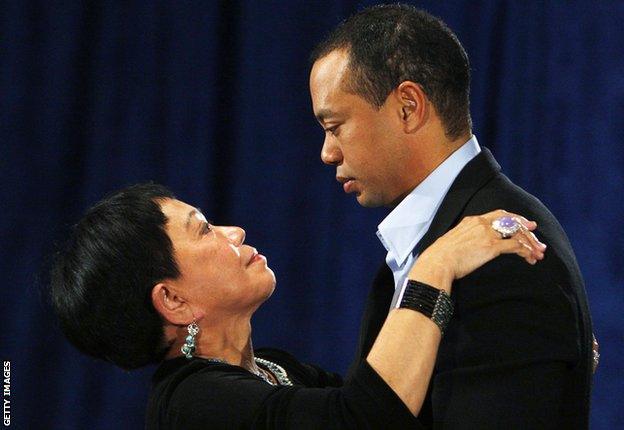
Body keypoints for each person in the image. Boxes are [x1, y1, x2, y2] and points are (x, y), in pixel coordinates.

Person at [49, 183, 544, 429]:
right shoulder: (192, 404)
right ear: (174, 301)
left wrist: (529, 356)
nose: (234, 232)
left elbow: (407, 411)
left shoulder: (276, 369)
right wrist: (438, 263)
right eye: (203, 230)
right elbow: (369, 420)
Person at [309, 4, 595, 428]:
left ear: (408, 106)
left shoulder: (505, 255)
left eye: (334, 126)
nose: (327, 152)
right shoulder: (437, 241)